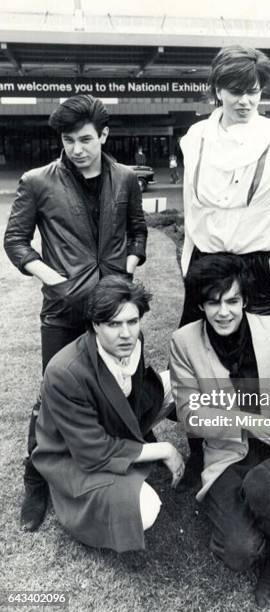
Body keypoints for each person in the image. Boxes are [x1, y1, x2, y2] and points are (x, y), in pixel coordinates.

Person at [178, 44, 270, 487]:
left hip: (258, 266)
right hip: (205, 266)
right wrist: (190, 262)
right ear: (217, 90)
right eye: (234, 90)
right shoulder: (195, 137)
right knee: (202, 360)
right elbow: (192, 208)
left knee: (263, 366)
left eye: (253, 91)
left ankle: (268, 455)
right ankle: (205, 455)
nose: (244, 100)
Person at [4, 94, 148, 532]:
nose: (76, 148)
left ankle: (111, 461)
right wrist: (55, 279)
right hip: (64, 311)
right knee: (52, 395)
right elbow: (15, 241)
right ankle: (36, 480)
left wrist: (128, 266)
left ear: (104, 135)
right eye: (68, 140)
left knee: (118, 387)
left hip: (113, 307)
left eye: (85, 139)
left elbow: (138, 231)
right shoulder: (36, 181)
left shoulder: (125, 178)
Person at [170, 254, 270, 607]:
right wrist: (248, 420)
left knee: (262, 486)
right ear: (201, 303)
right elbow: (190, 414)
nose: (224, 312)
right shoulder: (183, 341)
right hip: (227, 453)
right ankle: (262, 511)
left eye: (232, 300)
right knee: (238, 554)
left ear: (245, 300)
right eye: (213, 302)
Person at [32, 276, 184, 552]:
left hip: (116, 425)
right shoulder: (65, 372)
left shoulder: (133, 341)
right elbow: (93, 452)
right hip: (76, 456)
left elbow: (131, 396)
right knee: (145, 509)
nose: (126, 333)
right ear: (94, 325)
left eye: (132, 321)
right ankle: (79, 507)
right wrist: (163, 449)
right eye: (114, 324)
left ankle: (209, 464)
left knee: (185, 383)